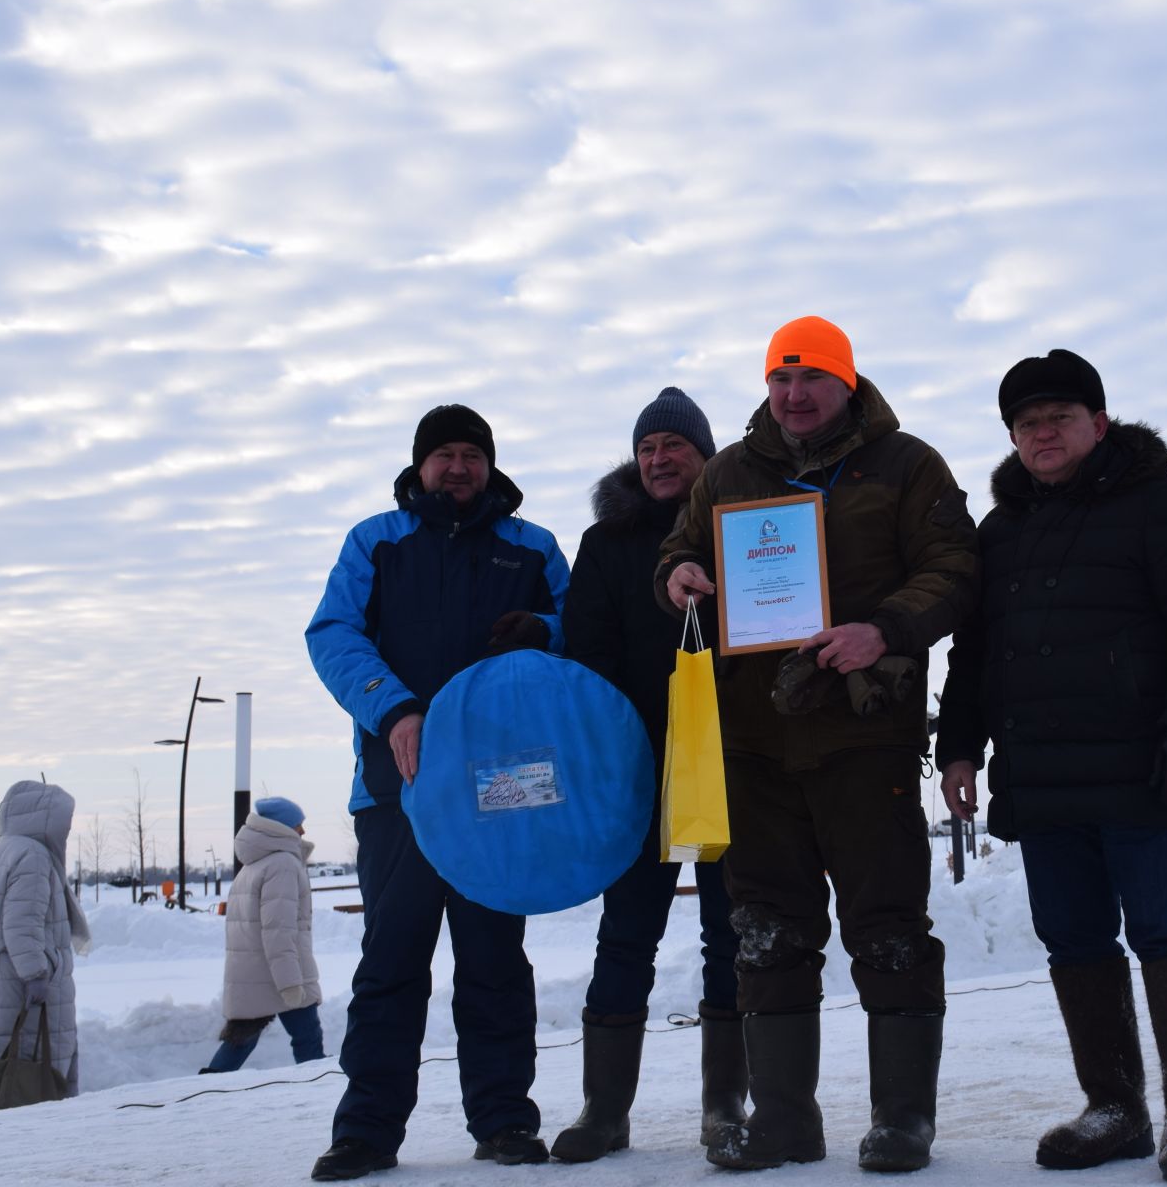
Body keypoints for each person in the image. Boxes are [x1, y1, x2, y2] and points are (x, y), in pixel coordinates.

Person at [657, 316, 979, 1173]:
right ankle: (786, 1123)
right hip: (753, 746)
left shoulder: (908, 464)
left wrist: (885, 628)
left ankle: (904, 1120)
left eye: (812, 380)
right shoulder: (729, 470)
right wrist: (678, 576)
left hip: (864, 737)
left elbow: (956, 568)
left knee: (888, 928)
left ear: (847, 382)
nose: (794, 396)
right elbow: (681, 548)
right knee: (766, 932)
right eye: (779, 381)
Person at [934, 349, 1167, 1185]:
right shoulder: (999, 532)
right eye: (1027, 425)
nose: (1043, 435)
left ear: (1098, 425)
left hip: (1144, 769)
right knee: (1073, 939)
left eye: (1059, 419)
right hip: (1041, 777)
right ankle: (1114, 1107)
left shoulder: (1158, 506)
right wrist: (958, 745)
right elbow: (975, 653)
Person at [304, 404, 570, 1180]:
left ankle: (504, 1121)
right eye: (443, 454)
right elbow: (332, 633)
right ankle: (366, 1131)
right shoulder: (376, 542)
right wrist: (395, 707)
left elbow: (580, 626)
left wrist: (542, 634)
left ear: (490, 464)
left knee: (494, 958)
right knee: (390, 961)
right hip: (400, 789)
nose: (457, 467)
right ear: (419, 465)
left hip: (504, 791)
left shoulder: (533, 547)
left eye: (471, 454)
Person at [549, 387, 747, 1162]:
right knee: (625, 935)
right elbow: (588, 663)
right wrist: (607, 764)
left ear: (705, 456)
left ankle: (726, 1109)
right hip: (638, 772)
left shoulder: (742, 531)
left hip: (733, 766)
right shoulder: (605, 546)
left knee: (730, 934)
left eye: (675, 445)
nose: (660, 459)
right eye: (647, 448)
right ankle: (605, 1111)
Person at [0, 779, 89, 1115]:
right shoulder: (33, 857)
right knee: (22, 1083)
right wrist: (37, 974)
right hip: (15, 992)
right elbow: (20, 926)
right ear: (45, 820)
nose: (65, 831)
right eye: (63, 822)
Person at [200, 796, 326, 1074]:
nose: (303, 831)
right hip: (283, 973)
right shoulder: (282, 864)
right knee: (308, 1039)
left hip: (254, 973)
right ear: (281, 828)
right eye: (298, 824)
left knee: (241, 1040)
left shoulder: (253, 865)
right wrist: (290, 982)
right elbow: (278, 930)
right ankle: (318, 1086)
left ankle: (209, 1087)